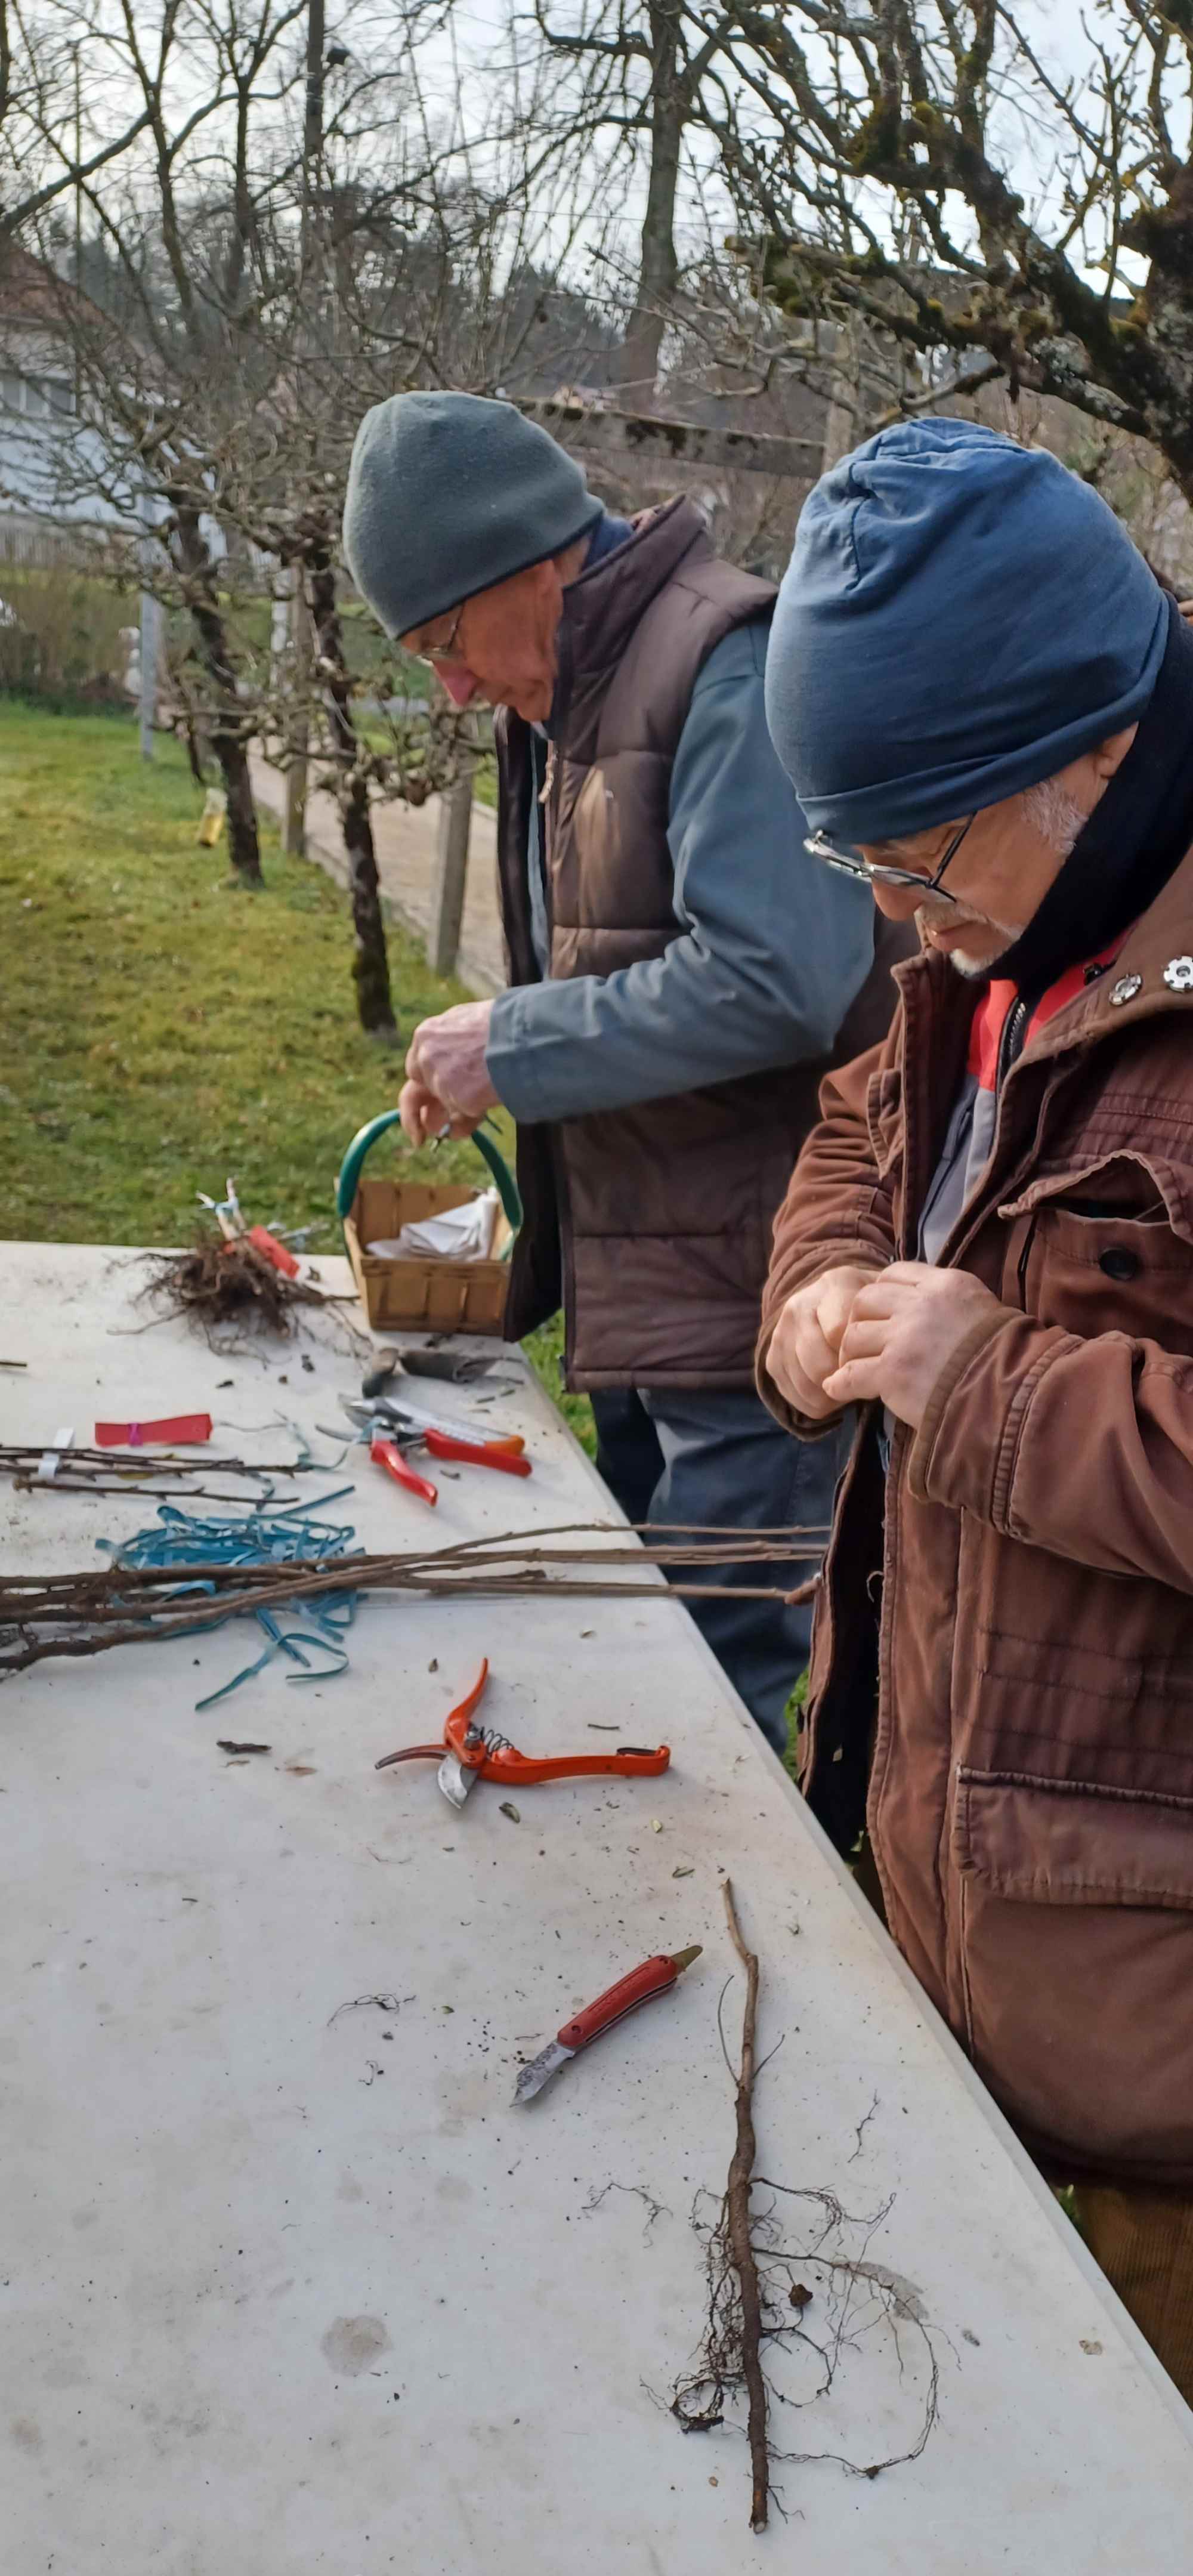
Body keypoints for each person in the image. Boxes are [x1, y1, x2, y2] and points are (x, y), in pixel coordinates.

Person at [758, 413, 1193, 2396]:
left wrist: (993, 1391)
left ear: (1091, 752)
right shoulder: (1011, 929)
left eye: (914, 860)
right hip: (954, 1951)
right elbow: (865, 1119)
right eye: (862, 863)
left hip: (1157, 2101)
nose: (894, 921)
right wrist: (818, 1290)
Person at [342, 390, 905, 1756]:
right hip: (651, 1281)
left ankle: (746, 1947)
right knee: (642, 1648)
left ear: (530, 559)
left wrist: (511, 1042)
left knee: (696, 1691)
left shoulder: (720, 664)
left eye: (446, 640)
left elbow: (782, 974)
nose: (452, 684)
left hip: (759, 1298)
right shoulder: (574, 693)